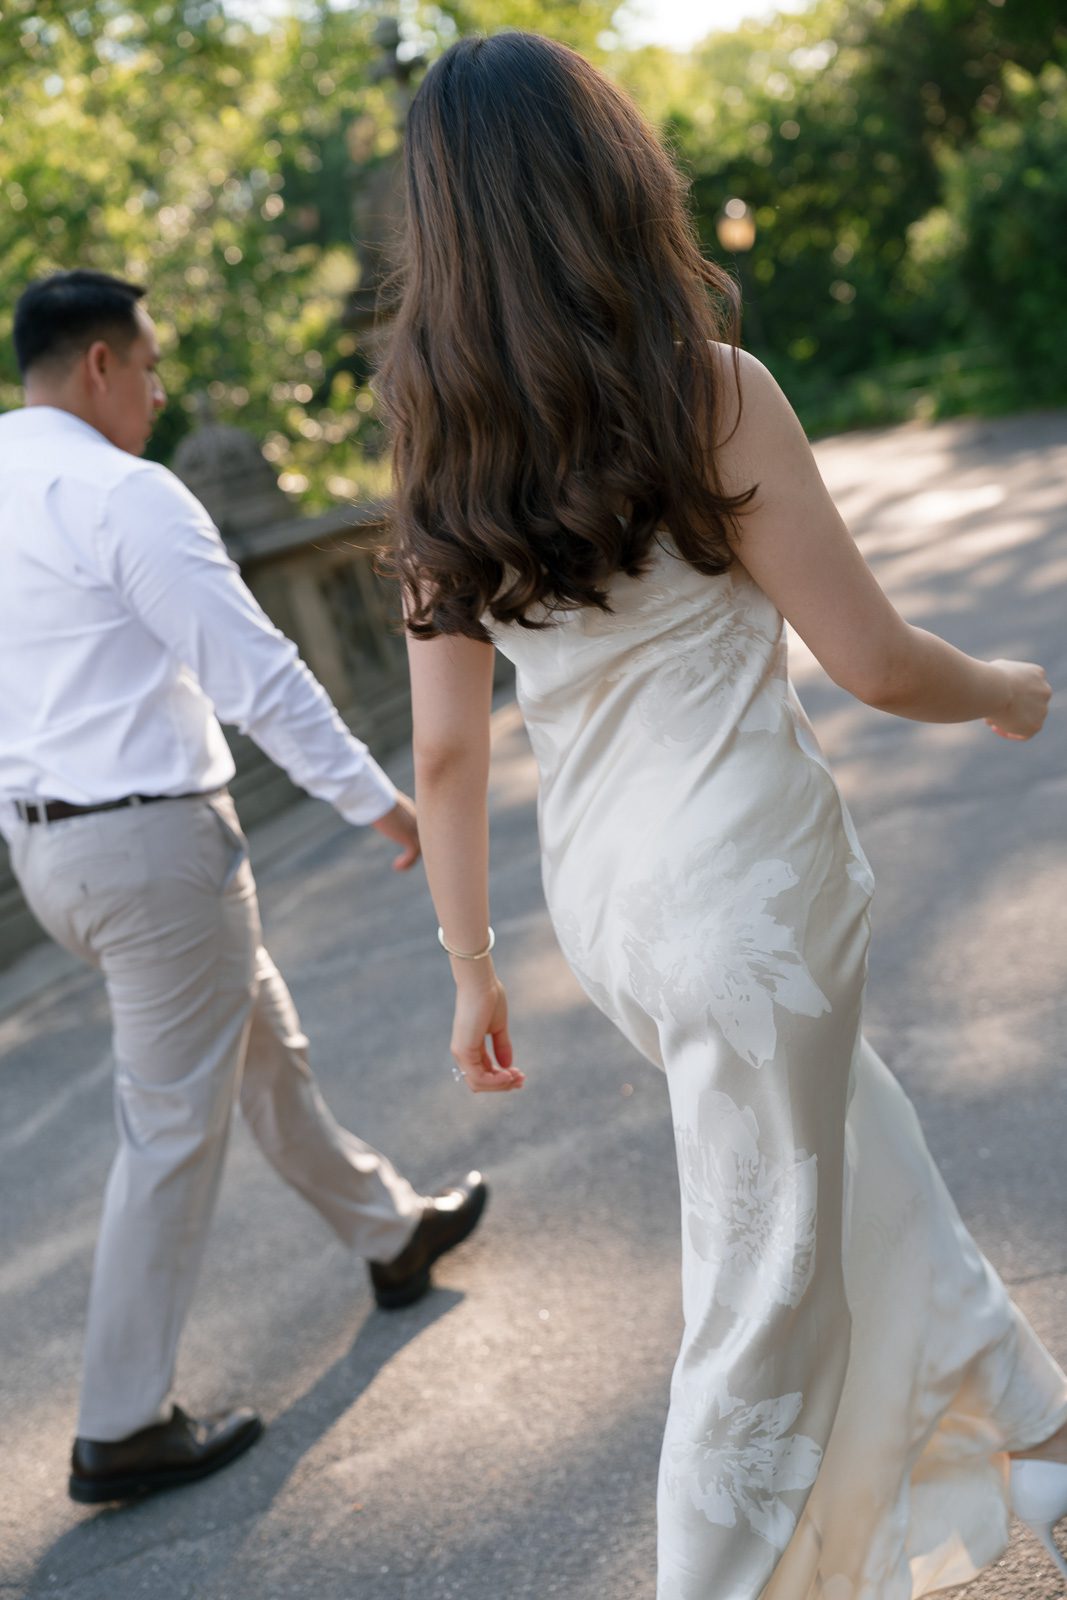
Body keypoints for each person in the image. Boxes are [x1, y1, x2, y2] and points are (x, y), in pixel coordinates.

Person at [380, 32, 1067, 1599]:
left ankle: (1035, 1438)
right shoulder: (706, 391)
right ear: (609, 173)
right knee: (759, 1294)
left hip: (615, 910)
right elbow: (876, 661)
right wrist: (1010, 690)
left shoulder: (438, 449)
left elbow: (445, 756)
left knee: (861, 1171)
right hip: (752, 893)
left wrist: (471, 963)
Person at [0, 269, 488, 1507]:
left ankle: (389, 1234)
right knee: (170, 1126)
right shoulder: (121, 492)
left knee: (262, 1049)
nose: (160, 395)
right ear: (100, 363)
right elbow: (255, 669)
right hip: (152, 851)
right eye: (151, 367)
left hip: (53, 851)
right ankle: (118, 1424)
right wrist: (380, 800)